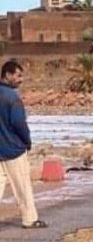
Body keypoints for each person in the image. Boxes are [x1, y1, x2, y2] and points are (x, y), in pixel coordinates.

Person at [0, 60, 48, 229]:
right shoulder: (13, 98)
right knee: (22, 187)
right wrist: (27, 142)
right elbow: (19, 124)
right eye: (18, 76)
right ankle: (29, 219)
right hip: (13, 149)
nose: (21, 80)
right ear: (8, 75)